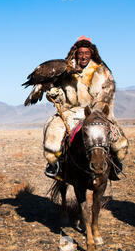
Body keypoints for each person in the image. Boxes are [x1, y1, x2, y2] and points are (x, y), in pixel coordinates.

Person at [43, 36, 128, 179]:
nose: (83, 56)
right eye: (80, 53)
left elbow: (107, 93)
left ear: (92, 53)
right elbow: (61, 92)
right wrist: (56, 95)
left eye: (87, 53)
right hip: (71, 111)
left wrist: (98, 111)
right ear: (76, 53)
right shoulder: (66, 69)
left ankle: (115, 163)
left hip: (98, 111)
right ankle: (56, 165)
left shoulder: (102, 71)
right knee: (53, 128)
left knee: (115, 135)